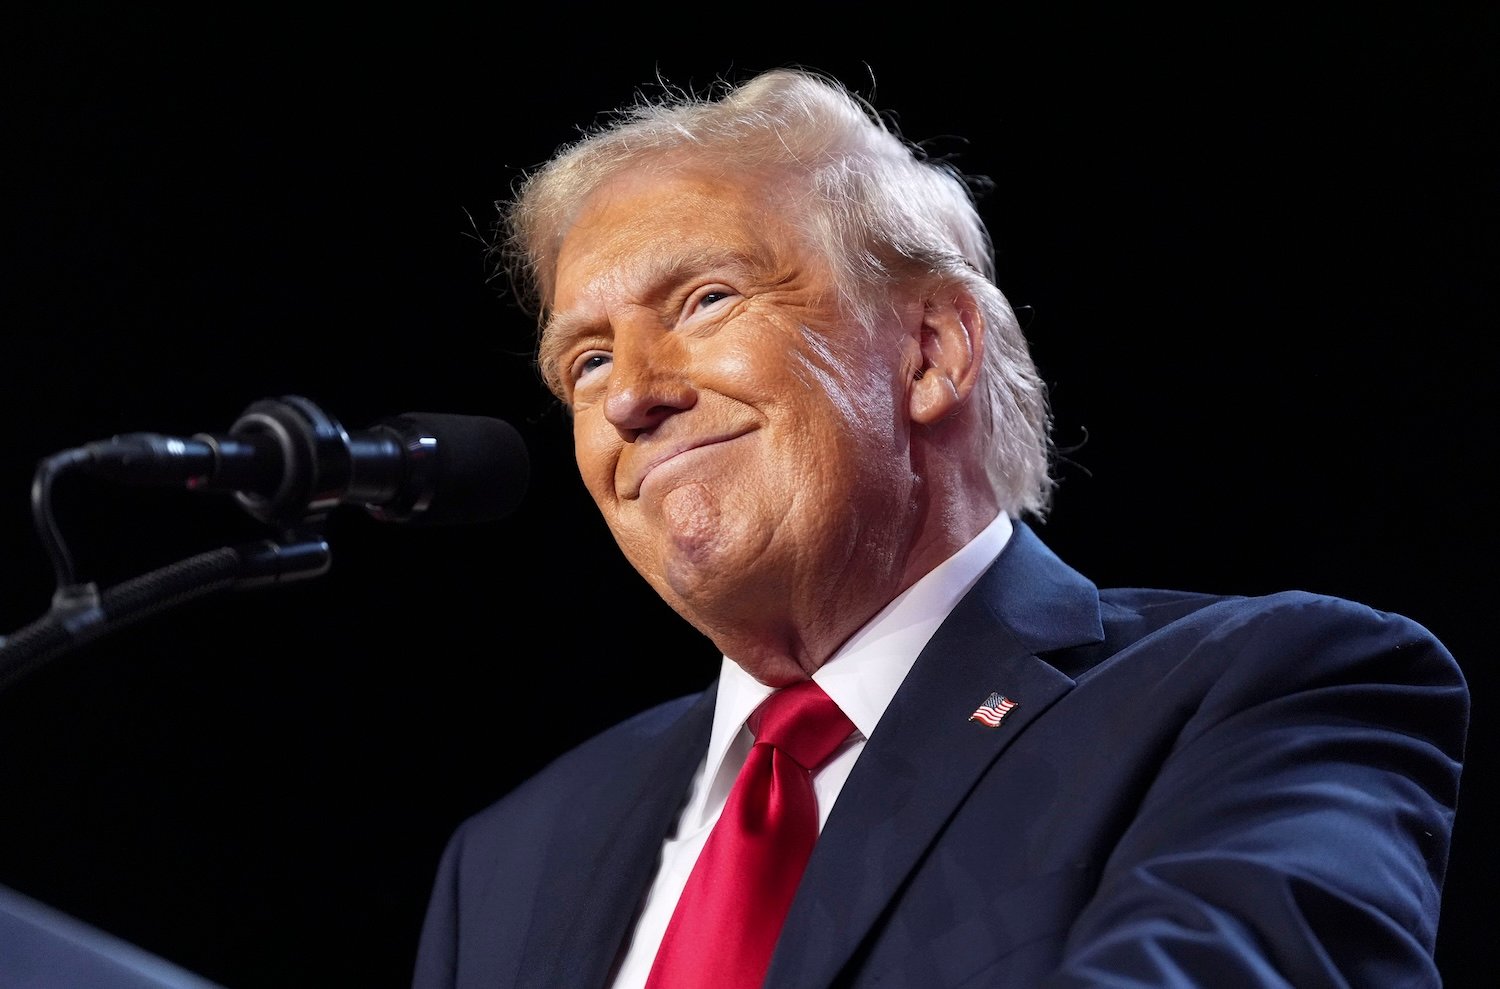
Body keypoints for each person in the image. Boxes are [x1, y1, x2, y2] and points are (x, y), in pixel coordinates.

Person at [411, 66, 1468, 988]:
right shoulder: (508, 858)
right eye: (586, 362)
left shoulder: (1263, 690)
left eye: (705, 300)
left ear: (932, 353)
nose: (630, 396)